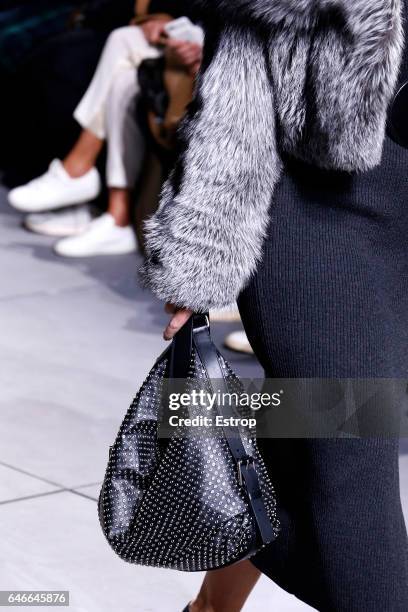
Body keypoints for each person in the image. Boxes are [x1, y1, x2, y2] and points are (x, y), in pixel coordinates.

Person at [141, 0, 408, 610]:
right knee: (351, 466)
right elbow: (238, 89)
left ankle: (209, 608)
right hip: (325, 218)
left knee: (298, 440)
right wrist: (198, 253)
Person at [8, 2, 202, 257]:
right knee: (122, 70)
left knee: (112, 46)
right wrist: (161, 18)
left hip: (233, 56)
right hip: (195, 38)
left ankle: (77, 171)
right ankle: (115, 213)